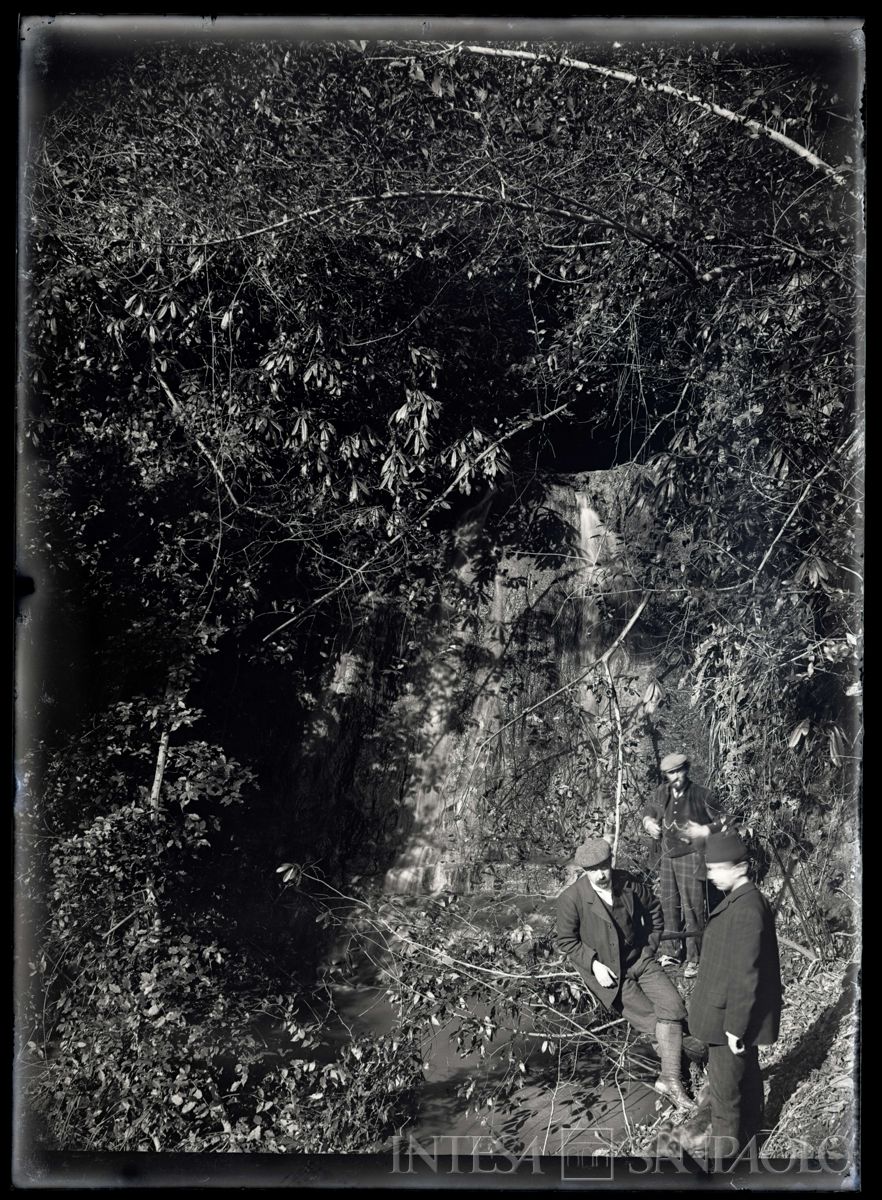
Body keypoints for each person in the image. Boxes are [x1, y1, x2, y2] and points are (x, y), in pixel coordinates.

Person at [556, 836, 700, 1108]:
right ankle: (683, 1078)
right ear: (584, 872)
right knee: (653, 1022)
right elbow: (566, 941)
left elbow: (655, 910)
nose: (600, 875)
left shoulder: (628, 882)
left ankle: (670, 1078)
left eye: (603, 867)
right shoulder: (571, 899)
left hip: (641, 960)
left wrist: (651, 945)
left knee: (674, 1006)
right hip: (610, 977)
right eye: (592, 870)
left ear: (611, 862)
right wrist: (594, 965)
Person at [688, 831, 782, 1157]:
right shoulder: (742, 899)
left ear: (740, 868)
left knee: (724, 1103)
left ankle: (722, 1167)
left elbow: (746, 976)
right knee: (749, 1082)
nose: (711, 875)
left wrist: (734, 1028)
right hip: (729, 1016)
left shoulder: (746, 910)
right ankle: (751, 1145)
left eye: (716, 868)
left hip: (727, 1021)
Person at [642, 752, 728, 977]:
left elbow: (726, 820)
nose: (676, 776)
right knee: (669, 906)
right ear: (666, 775)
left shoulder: (702, 795)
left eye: (680, 770)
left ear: (687, 769)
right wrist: (649, 823)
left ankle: (694, 958)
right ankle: (671, 951)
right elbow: (649, 812)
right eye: (671, 773)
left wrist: (705, 829)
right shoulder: (661, 793)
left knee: (692, 907)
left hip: (692, 856)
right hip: (667, 856)